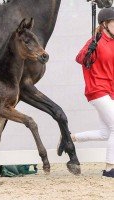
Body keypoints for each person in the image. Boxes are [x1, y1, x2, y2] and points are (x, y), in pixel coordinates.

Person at [72, 7, 114, 178]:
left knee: (106, 133)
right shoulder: (95, 41)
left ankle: (70, 138)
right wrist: (89, 50)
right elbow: (79, 58)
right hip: (97, 90)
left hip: (110, 91)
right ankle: (110, 169)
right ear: (105, 24)